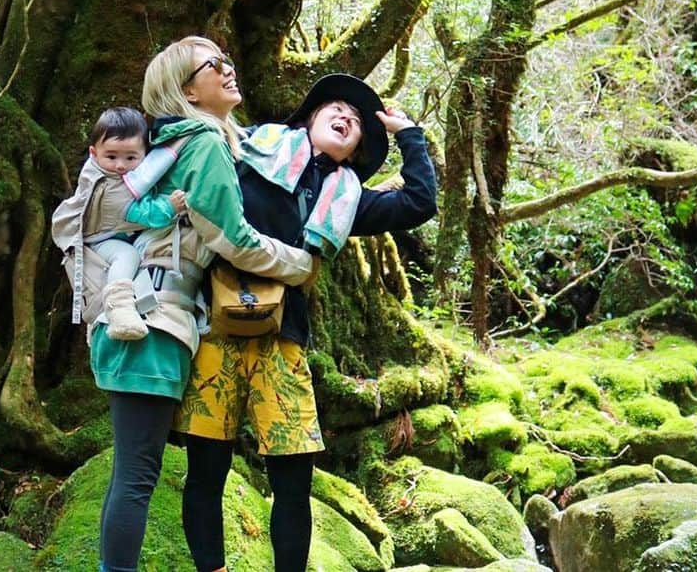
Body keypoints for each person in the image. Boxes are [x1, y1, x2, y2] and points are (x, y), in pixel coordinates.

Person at [175, 72, 438, 572]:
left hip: (284, 339)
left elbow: (419, 202)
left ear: (358, 148)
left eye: (357, 121)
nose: (346, 117)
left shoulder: (346, 197)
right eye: (336, 108)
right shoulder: (245, 150)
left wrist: (409, 135)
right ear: (309, 117)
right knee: (206, 471)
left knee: (293, 481)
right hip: (214, 330)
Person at [91, 37, 314, 572]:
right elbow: (231, 237)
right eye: (214, 65)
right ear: (187, 89)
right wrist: (298, 264)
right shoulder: (205, 145)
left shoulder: (173, 144)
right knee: (138, 476)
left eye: (228, 59)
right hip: (154, 324)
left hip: (140, 318)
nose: (228, 69)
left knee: (130, 474)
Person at [51, 106, 188, 341]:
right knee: (127, 257)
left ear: (146, 154)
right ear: (94, 153)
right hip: (101, 242)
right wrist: (170, 206)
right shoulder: (112, 188)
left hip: (115, 235)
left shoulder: (109, 174)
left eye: (131, 157)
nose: (120, 165)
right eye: (111, 156)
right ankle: (119, 309)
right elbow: (145, 214)